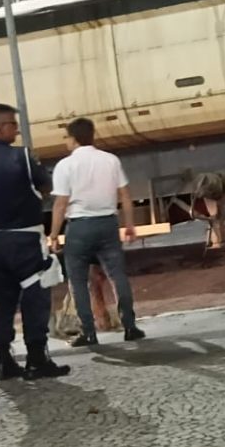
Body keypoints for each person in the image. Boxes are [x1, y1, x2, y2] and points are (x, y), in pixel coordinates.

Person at [0, 103, 70, 381]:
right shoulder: (21, 156)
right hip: (25, 237)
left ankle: (2, 360)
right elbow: (44, 186)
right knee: (35, 295)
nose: (16, 129)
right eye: (12, 124)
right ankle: (37, 358)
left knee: (0, 301)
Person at [48, 117, 145, 347]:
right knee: (117, 275)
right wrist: (129, 225)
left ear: (72, 139)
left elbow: (61, 204)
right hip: (107, 224)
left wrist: (53, 235)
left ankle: (88, 332)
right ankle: (130, 326)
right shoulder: (111, 160)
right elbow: (125, 195)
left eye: (67, 137)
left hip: (79, 227)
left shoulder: (65, 166)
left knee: (78, 280)